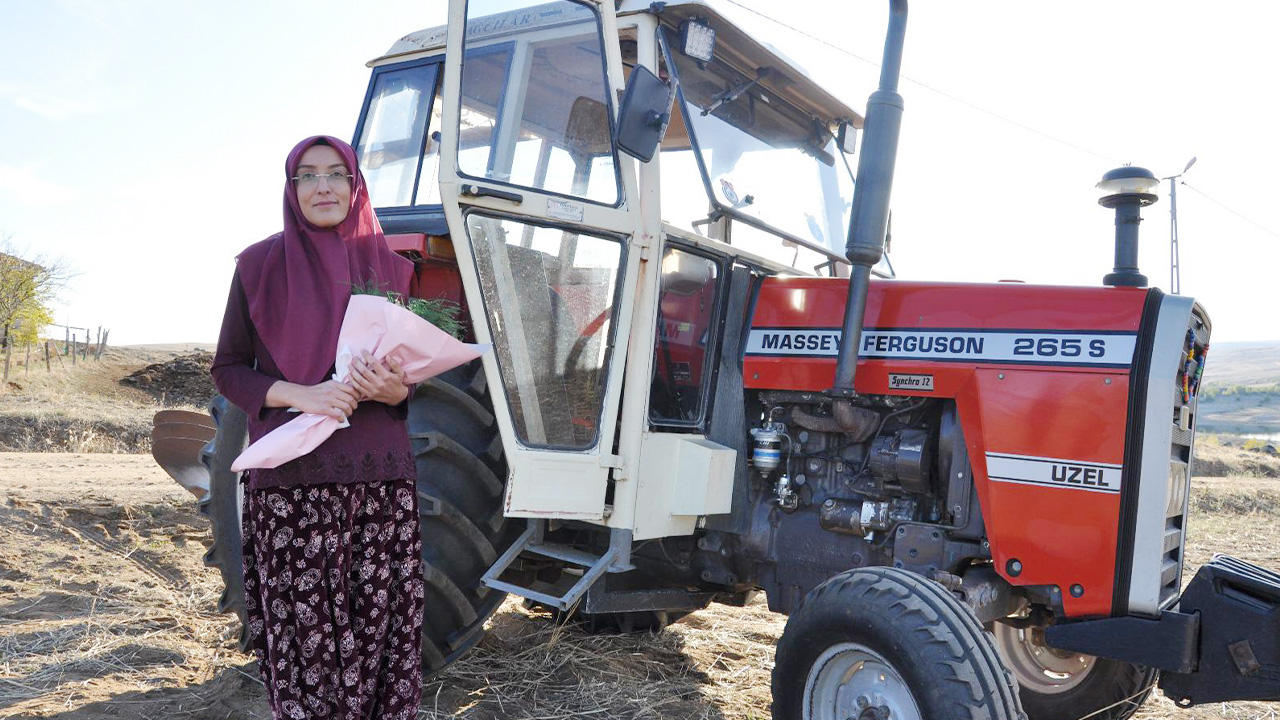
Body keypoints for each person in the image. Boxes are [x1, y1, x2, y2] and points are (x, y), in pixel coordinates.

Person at [211, 135, 424, 720]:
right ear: (292, 188)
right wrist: (303, 395)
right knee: (306, 648)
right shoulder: (257, 267)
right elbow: (228, 370)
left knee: (382, 636)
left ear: (355, 186)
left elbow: (413, 378)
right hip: (293, 488)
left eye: (336, 174)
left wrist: (394, 389)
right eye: (307, 175)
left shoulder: (394, 272)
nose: (323, 186)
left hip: (380, 486)